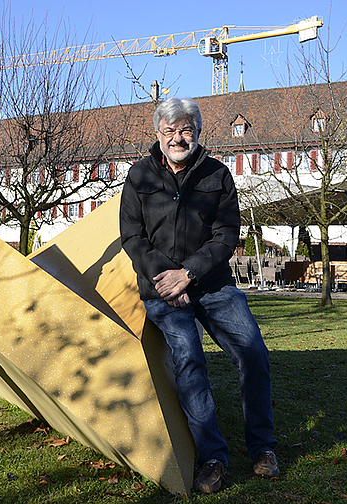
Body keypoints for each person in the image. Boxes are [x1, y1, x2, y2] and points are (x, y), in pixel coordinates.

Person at [119, 97, 278, 494]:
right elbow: (132, 237)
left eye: (186, 129)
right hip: (160, 289)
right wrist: (165, 278)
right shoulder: (138, 177)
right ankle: (213, 458)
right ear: (157, 134)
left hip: (211, 283)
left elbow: (227, 235)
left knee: (253, 352)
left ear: (198, 132)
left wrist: (187, 273)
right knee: (189, 359)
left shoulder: (218, 175)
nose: (178, 137)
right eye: (169, 131)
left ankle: (262, 448)